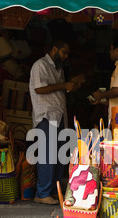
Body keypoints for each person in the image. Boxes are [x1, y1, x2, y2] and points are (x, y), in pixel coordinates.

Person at [29, 39, 85, 205]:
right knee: (47, 154)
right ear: (54, 49)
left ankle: (54, 190)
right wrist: (64, 84)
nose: (66, 56)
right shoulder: (40, 65)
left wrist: (73, 83)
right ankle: (42, 193)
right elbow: (39, 89)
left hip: (58, 114)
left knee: (60, 154)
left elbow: (59, 88)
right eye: (64, 52)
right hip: (46, 115)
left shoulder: (58, 68)